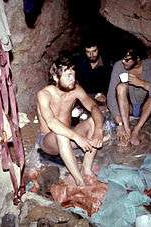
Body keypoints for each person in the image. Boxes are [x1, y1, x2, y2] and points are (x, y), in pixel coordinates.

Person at [36, 54, 104, 186]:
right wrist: (77, 137)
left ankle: (87, 169)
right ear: (56, 77)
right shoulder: (44, 94)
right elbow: (51, 122)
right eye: (68, 75)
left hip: (69, 136)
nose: (72, 79)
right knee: (61, 133)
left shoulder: (76, 90)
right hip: (48, 141)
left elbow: (94, 107)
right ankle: (80, 182)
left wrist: (99, 131)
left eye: (73, 74)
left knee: (93, 121)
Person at [107, 45, 151, 146]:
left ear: (138, 58)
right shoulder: (119, 66)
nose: (124, 62)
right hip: (128, 108)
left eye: (127, 60)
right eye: (123, 58)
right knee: (121, 87)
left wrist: (142, 83)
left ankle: (136, 130)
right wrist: (120, 124)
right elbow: (110, 97)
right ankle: (127, 129)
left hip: (144, 107)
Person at [74, 38, 112, 103]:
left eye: (94, 51)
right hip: (83, 95)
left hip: (101, 97)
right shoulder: (79, 63)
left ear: (99, 50)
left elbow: (110, 84)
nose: (91, 55)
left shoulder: (107, 65)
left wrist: (103, 94)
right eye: (88, 52)